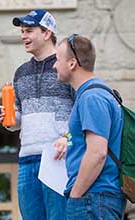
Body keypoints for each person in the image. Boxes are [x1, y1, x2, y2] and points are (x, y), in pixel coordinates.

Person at [0, 9, 75, 220]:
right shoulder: (20, 73)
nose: (23, 36)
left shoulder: (66, 67)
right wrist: (9, 119)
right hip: (26, 159)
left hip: (58, 158)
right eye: (22, 31)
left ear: (47, 33)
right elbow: (19, 118)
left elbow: (81, 111)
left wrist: (68, 140)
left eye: (29, 31)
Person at [53, 34, 126, 219]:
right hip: (97, 198)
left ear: (72, 63)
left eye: (57, 59)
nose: (54, 65)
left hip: (93, 199)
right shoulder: (96, 94)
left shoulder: (91, 98)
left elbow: (97, 153)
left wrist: (76, 194)